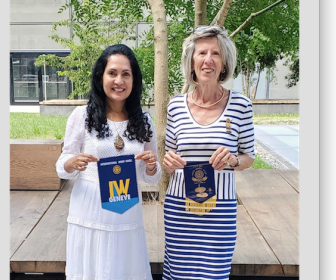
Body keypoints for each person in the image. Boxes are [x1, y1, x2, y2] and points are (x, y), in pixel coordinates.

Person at [55, 44, 162, 280]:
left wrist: (152, 166)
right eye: (112, 73)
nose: (119, 81)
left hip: (126, 210)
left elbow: (151, 175)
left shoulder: (143, 120)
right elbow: (62, 165)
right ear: (100, 76)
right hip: (90, 209)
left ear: (134, 80)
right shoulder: (82, 116)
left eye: (126, 74)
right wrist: (72, 162)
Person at [162, 25, 255, 280]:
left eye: (215, 53)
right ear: (191, 61)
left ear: (224, 62)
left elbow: (249, 157)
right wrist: (168, 161)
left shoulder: (241, 105)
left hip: (221, 208)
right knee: (178, 273)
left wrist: (234, 159)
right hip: (180, 207)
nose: (208, 60)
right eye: (202, 53)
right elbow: (169, 158)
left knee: (214, 273)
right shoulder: (175, 106)